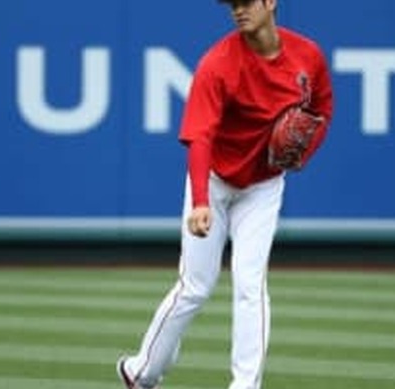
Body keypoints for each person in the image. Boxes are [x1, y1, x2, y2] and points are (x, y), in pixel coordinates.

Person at [117, 0, 333, 388]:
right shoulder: (217, 63)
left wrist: (303, 153)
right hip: (214, 181)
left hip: (264, 185)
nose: (238, 9)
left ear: (270, 2)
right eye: (232, 4)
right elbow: (199, 136)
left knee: (251, 285)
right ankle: (142, 372)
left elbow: (322, 108)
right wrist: (200, 199)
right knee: (195, 287)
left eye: (246, 1)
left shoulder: (307, 56)